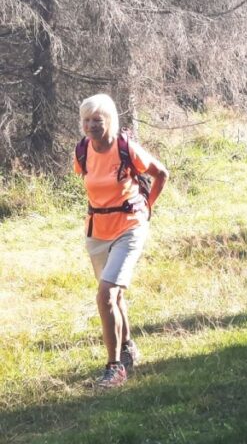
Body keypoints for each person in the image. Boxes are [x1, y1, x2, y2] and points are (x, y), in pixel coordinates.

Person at [75, 94, 169, 389]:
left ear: (110, 121)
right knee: (113, 296)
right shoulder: (82, 151)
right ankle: (128, 348)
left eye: (97, 120)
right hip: (97, 231)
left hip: (129, 227)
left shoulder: (126, 148)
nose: (91, 126)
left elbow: (161, 173)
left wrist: (147, 208)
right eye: (87, 120)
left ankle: (114, 368)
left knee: (105, 294)